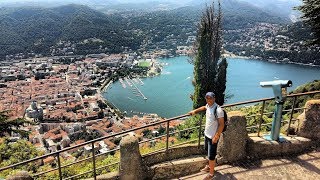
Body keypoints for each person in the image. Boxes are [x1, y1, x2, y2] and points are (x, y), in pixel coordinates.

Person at [188, 92, 224, 180]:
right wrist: (195, 111)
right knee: (208, 152)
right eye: (207, 98)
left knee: (211, 156)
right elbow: (204, 107)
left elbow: (221, 124)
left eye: (210, 98)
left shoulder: (218, 110)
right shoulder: (208, 106)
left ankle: (211, 174)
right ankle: (209, 167)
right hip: (207, 134)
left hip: (213, 137)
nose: (209, 100)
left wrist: (216, 136)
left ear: (214, 98)